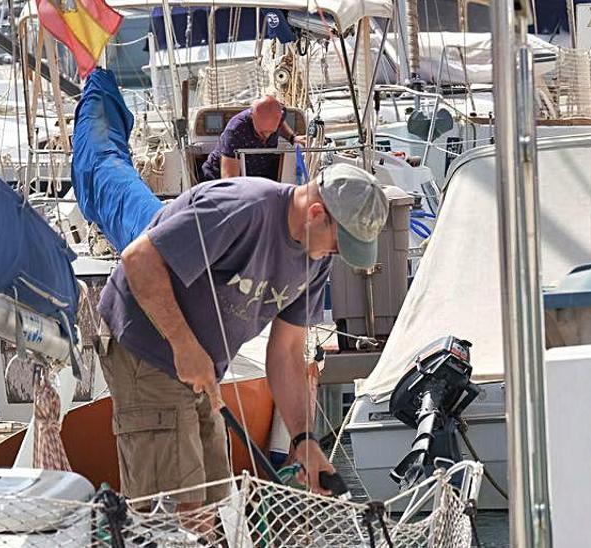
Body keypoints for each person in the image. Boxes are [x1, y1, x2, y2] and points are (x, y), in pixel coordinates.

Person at [97, 163, 389, 510]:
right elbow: (139, 258)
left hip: (201, 364)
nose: (335, 256)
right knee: (178, 509)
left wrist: (305, 441)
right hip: (147, 346)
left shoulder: (316, 257)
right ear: (315, 214)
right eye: (339, 246)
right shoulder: (242, 209)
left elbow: (287, 350)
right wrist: (184, 345)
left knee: (218, 504)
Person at [201, 96, 307, 182]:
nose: (266, 137)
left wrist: (292, 137)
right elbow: (230, 179)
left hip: (260, 171)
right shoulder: (235, 130)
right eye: (261, 133)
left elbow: (281, 124)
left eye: (271, 132)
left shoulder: (280, 112)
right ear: (252, 117)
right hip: (220, 175)